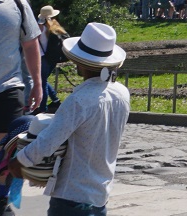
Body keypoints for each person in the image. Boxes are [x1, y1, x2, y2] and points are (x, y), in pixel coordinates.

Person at [7, 22, 130, 216]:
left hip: (72, 195)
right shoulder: (122, 93)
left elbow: (49, 141)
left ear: (80, 61)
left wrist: (19, 161)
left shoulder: (79, 100)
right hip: (100, 194)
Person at [0, 0, 42, 216]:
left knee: (11, 145)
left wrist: (37, 83)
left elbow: (31, 45)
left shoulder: (17, 5)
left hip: (8, 86)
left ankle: (3, 199)